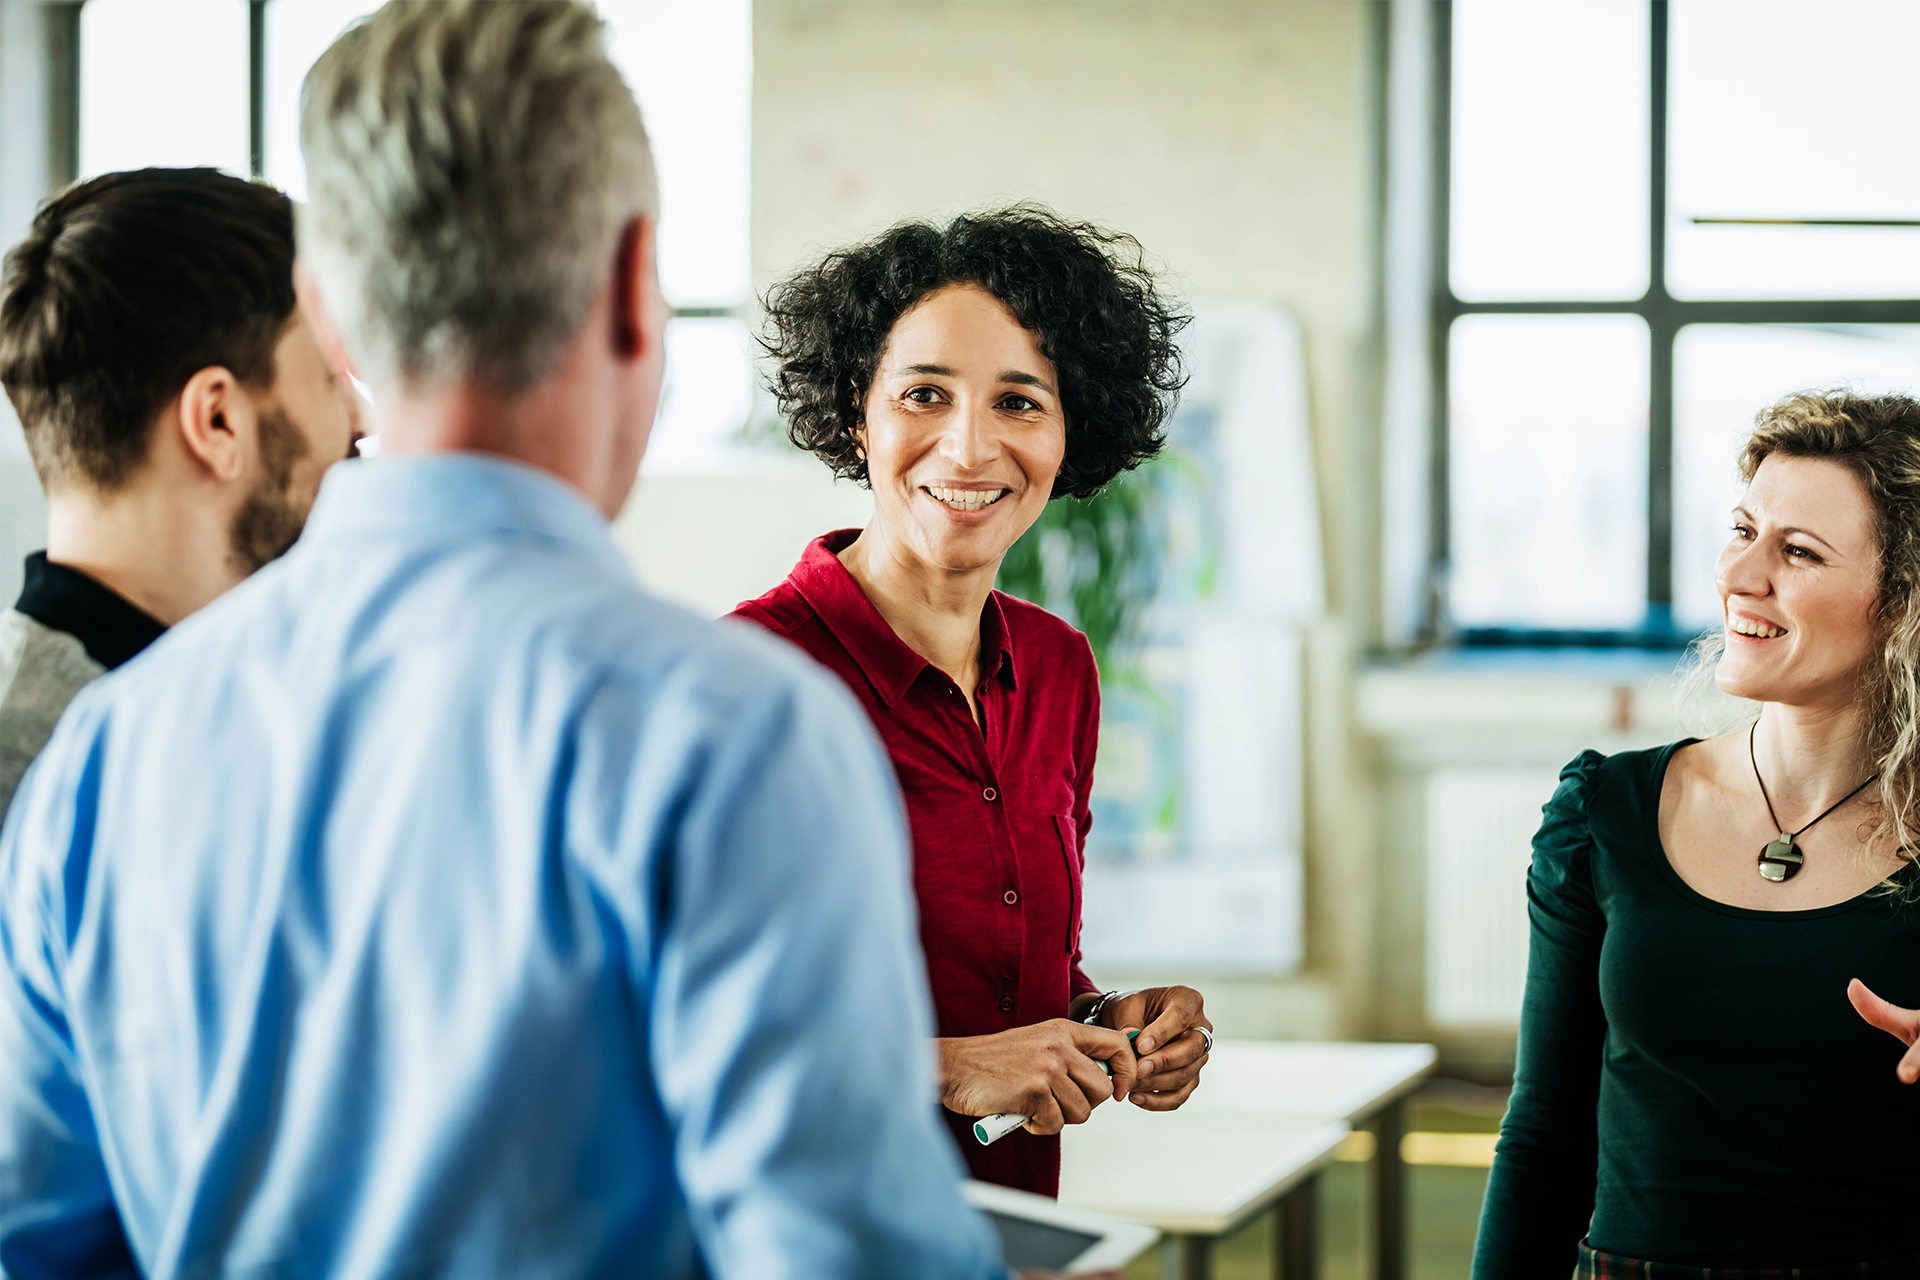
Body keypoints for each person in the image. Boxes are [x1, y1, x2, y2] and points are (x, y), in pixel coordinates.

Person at [0, 2, 1011, 1276]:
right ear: (632, 290)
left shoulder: (104, 756)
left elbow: (36, 1248)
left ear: (334, 318)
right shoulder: (736, 737)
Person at [734, 206, 1213, 1198]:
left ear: (1069, 430)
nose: (968, 447)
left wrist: (1103, 1019)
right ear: (853, 413)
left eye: (1020, 402)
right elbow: (682, 1021)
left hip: (1008, 1224)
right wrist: (945, 1062)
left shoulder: (1061, 668)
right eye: (923, 394)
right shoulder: (749, 676)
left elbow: (1020, 973)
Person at [1473, 391, 1920, 1277]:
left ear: (1902, 604)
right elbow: (1543, 1133)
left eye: (1796, 552)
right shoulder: (1605, 812)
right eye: (1744, 529)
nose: (1739, 575)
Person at [0, 168, 363, 816]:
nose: (364, 421)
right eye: (331, 377)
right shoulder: (34, 783)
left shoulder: (236, 705)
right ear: (217, 421)